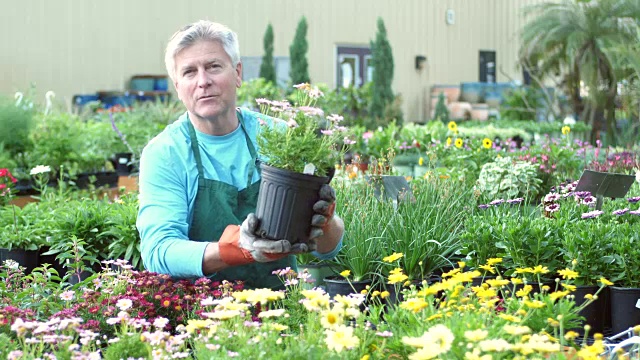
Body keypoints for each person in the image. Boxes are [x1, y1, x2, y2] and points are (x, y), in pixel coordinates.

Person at [136, 20, 344, 289]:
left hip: (281, 310)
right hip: (200, 315)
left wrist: (325, 224)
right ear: (178, 86)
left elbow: (328, 250)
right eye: (189, 72)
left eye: (213, 66)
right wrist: (230, 251)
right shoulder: (166, 153)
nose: (203, 82)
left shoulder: (280, 136)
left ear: (237, 73)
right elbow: (158, 251)